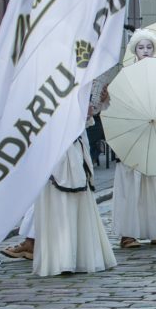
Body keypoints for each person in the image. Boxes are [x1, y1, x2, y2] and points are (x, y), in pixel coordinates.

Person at [32, 85, 118, 276]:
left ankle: (77, 256)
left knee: (76, 201)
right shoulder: (46, 84)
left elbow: (86, 119)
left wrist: (93, 107)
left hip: (75, 148)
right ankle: (62, 258)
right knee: (59, 203)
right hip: (54, 151)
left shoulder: (77, 81)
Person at [109, 29, 156, 248]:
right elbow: (118, 102)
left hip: (154, 131)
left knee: (154, 180)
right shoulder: (126, 73)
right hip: (131, 132)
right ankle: (128, 233)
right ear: (135, 50)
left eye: (148, 47)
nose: (145, 51)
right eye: (141, 47)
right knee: (131, 182)